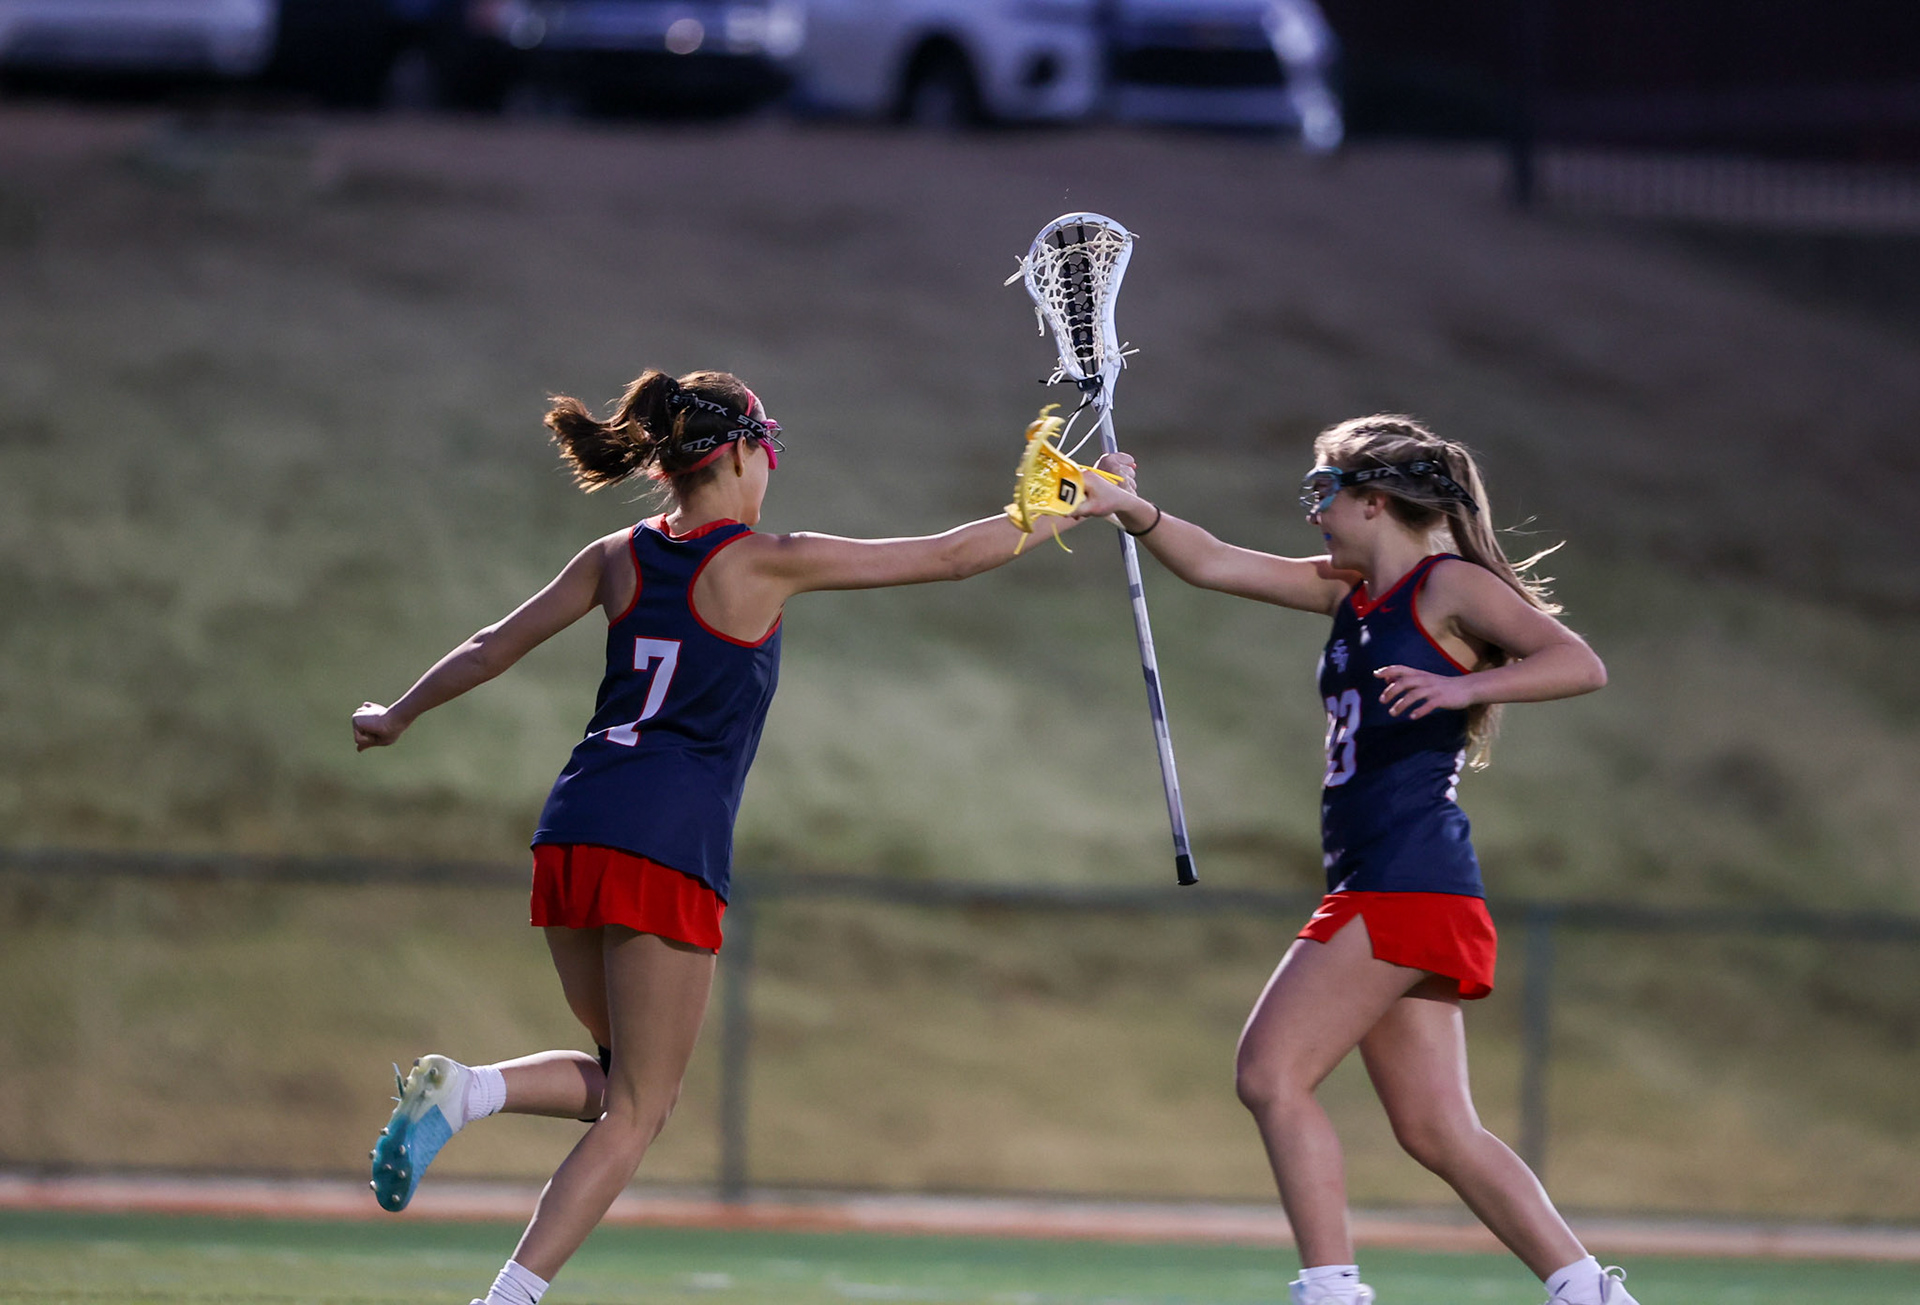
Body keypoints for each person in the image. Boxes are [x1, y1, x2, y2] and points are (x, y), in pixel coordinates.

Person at [350, 369, 1081, 1305]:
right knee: (640, 1108)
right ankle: (506, 1297)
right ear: (740, 453)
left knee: (625, 1078)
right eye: (769, 450)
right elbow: (949, 556)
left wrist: (398, 712)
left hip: (574, 824)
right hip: (666, 837)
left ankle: (469, 1092)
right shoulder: (762, 561)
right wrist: (1077, 500)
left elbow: (493, 643)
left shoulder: (616, 555)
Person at [1077, 415, 1635, 1305]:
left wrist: (1463, 685)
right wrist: (1129, 508)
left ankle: (1332, 1292)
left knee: (1270, 1074)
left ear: (1374, 500)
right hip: (1388, 878)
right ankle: (1592, 1295)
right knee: (1438, 1130)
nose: (1313, 511)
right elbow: (1214, 561)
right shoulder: (1350, 593)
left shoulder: (1447, 584)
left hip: (1405, 876)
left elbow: (1579, 663)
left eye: (1323, 491)